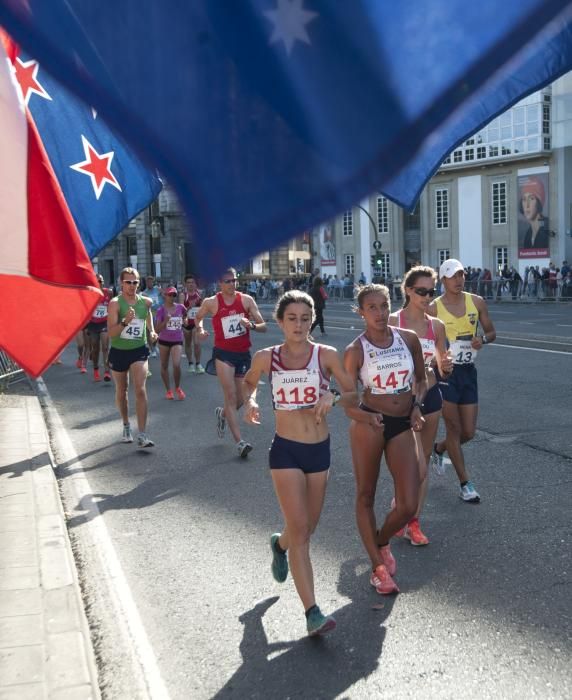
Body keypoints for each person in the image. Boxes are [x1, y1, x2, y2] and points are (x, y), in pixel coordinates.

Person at [242, 290, 357, 636]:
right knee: (302, 533)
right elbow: (248, 382)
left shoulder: (326, 356)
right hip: (286, 451)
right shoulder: (266, 358)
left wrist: (333, 395)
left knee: (306, 528)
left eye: (305, 318)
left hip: (318, 451)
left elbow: (355, 393)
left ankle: (279, 545)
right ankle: (312, 613)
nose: (299, 324)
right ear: (279, 321)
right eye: (292, 318)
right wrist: (250, 400)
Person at [344, 284, 427, 595]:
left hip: (403, 422)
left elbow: (421, 380)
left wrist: (417, 406)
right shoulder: (355, 350)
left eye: (383, 306)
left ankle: (380, 541)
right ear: (361, 312)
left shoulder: (408, 339)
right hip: (370, 424)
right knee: (366, 495)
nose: (379, 313)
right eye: (371, 308)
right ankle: (378, 568)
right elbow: (346, 401)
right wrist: (366, 417)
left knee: (408, 504)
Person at [389, 267, 453, 545]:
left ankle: (414, 520)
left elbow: (443, 368)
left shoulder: (436, 326)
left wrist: (446, 367)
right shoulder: (393, 321)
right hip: (400, 400)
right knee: (405, 463)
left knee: (423, 461)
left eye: (431, 291)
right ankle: (401, 508)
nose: (428, 296)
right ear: (408, 291)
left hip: (430, 397)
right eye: (422, 291)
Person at [428, 259, 496, 502]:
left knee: (468, 431)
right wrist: (437, 358)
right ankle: (465, 484)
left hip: (467, 371)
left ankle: (439, 448)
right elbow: (424, 341)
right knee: (454, 428)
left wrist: (483, 340)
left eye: (461, 275)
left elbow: (491, 332)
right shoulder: (434, 308)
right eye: (452, 276)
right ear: (443, 280)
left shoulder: (476, 302)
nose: (458, 280)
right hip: (445, 373)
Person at [194, 267, 266, 458]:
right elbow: (198, 317)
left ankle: (223, 414)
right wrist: (200, 330)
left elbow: (263, 325)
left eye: (234, 280)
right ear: (220, 283)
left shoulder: (246, 300)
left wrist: (251, 325)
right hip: (223, 354)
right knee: (231, 396)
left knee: (242, 398)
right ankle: (240, 442)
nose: (232, 284)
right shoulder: (211, 302)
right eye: (228, 281)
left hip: (243, 353)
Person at [107, 267, 157, 448]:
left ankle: (142, 434)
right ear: (121, 283)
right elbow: (112, 333)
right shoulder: (115, 303)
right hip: (119, 351)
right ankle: (126, 425)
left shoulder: (145, 302)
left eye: (135, 282)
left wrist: (151, 332)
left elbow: (147, 315)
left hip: (139, 349)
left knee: (140, 389)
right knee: (122, 390)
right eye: (128, 282)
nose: (132, 286)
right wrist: (124, 322)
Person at [155, 286, 186, 400]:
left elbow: (185, 317)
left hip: (177, 340)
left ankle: (177, 387)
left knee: (177, 364)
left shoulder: (180, 307)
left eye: (174, 295)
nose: (172, 297)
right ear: (165, 296)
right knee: (164, 365)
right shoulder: (161, 310)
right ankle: (168, 390)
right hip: (164, 341)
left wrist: (185, 321)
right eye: (169, 295)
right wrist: (165, 321)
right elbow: (157, 329)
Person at [85, 274, 112, 382]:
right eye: (96, 281)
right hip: (93, 323)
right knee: (95, 349)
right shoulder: (89, 294)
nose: (98, 283)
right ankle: (96, 368)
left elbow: (112, 306)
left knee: (105, 347)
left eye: (100, 281)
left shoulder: (108, 293)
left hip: (104, 322)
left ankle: (106, 372)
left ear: (103, 282)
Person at [180, 275, 204, 373]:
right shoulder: (183, 295)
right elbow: (181, 310)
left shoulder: (199, 294)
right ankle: (190, 363)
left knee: (197, 343)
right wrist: (190, 306)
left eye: (192, 282)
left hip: (196, 322)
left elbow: (203, 308)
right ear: (185, 284)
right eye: (188, 282)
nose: (190, 284)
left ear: (195, 284)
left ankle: (198, 364)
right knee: (188, 343)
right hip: (186, 323)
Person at [519, 177, 549, 250]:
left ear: (539, 202)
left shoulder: (548, 227)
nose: (527, 205)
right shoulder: (528, 235)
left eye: (531, 198)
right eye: (524, 199)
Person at [141, 275, 162, 357]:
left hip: (159, 312)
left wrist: (162, 291)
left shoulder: (157, 290)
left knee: (157, 331)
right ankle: (152, 349)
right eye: (148, 282)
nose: (149, 283)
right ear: (146, 283)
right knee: (149, 331)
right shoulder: (144, 292)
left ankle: (154, 345)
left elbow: (164, 296)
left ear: (153, 282)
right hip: (150, 313)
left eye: (151, 281)